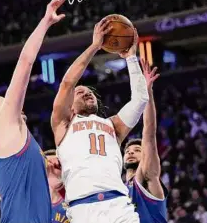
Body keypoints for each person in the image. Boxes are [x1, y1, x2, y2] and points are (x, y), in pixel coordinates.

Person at [51, 18, 148, 223]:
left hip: (119, 207)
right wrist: (95, 46)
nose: (87, 94)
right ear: (70, 105)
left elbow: (140, 99)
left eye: (90, 93)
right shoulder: (63, 124)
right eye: (80, 92)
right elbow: (68, 82)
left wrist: (131, 57)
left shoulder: (113, 125)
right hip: (83, 210)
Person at [0, 0, 66, 223]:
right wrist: (45, 21)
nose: (11, 103)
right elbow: (26, 61)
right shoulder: (4, 129)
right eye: (4, 102)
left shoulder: (22, 145)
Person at [123, 59, 167, 223]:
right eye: (127, 151)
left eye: (137, 150)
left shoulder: (147, 176)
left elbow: (149, 131)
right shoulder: (119, 190)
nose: (130, 153)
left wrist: (147, 91)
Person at [44, 150, 70, 223]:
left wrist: (60, 188)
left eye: (56, 166)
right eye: (47, 167)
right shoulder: (35, 202)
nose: (51, 167)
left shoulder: (72, 197)